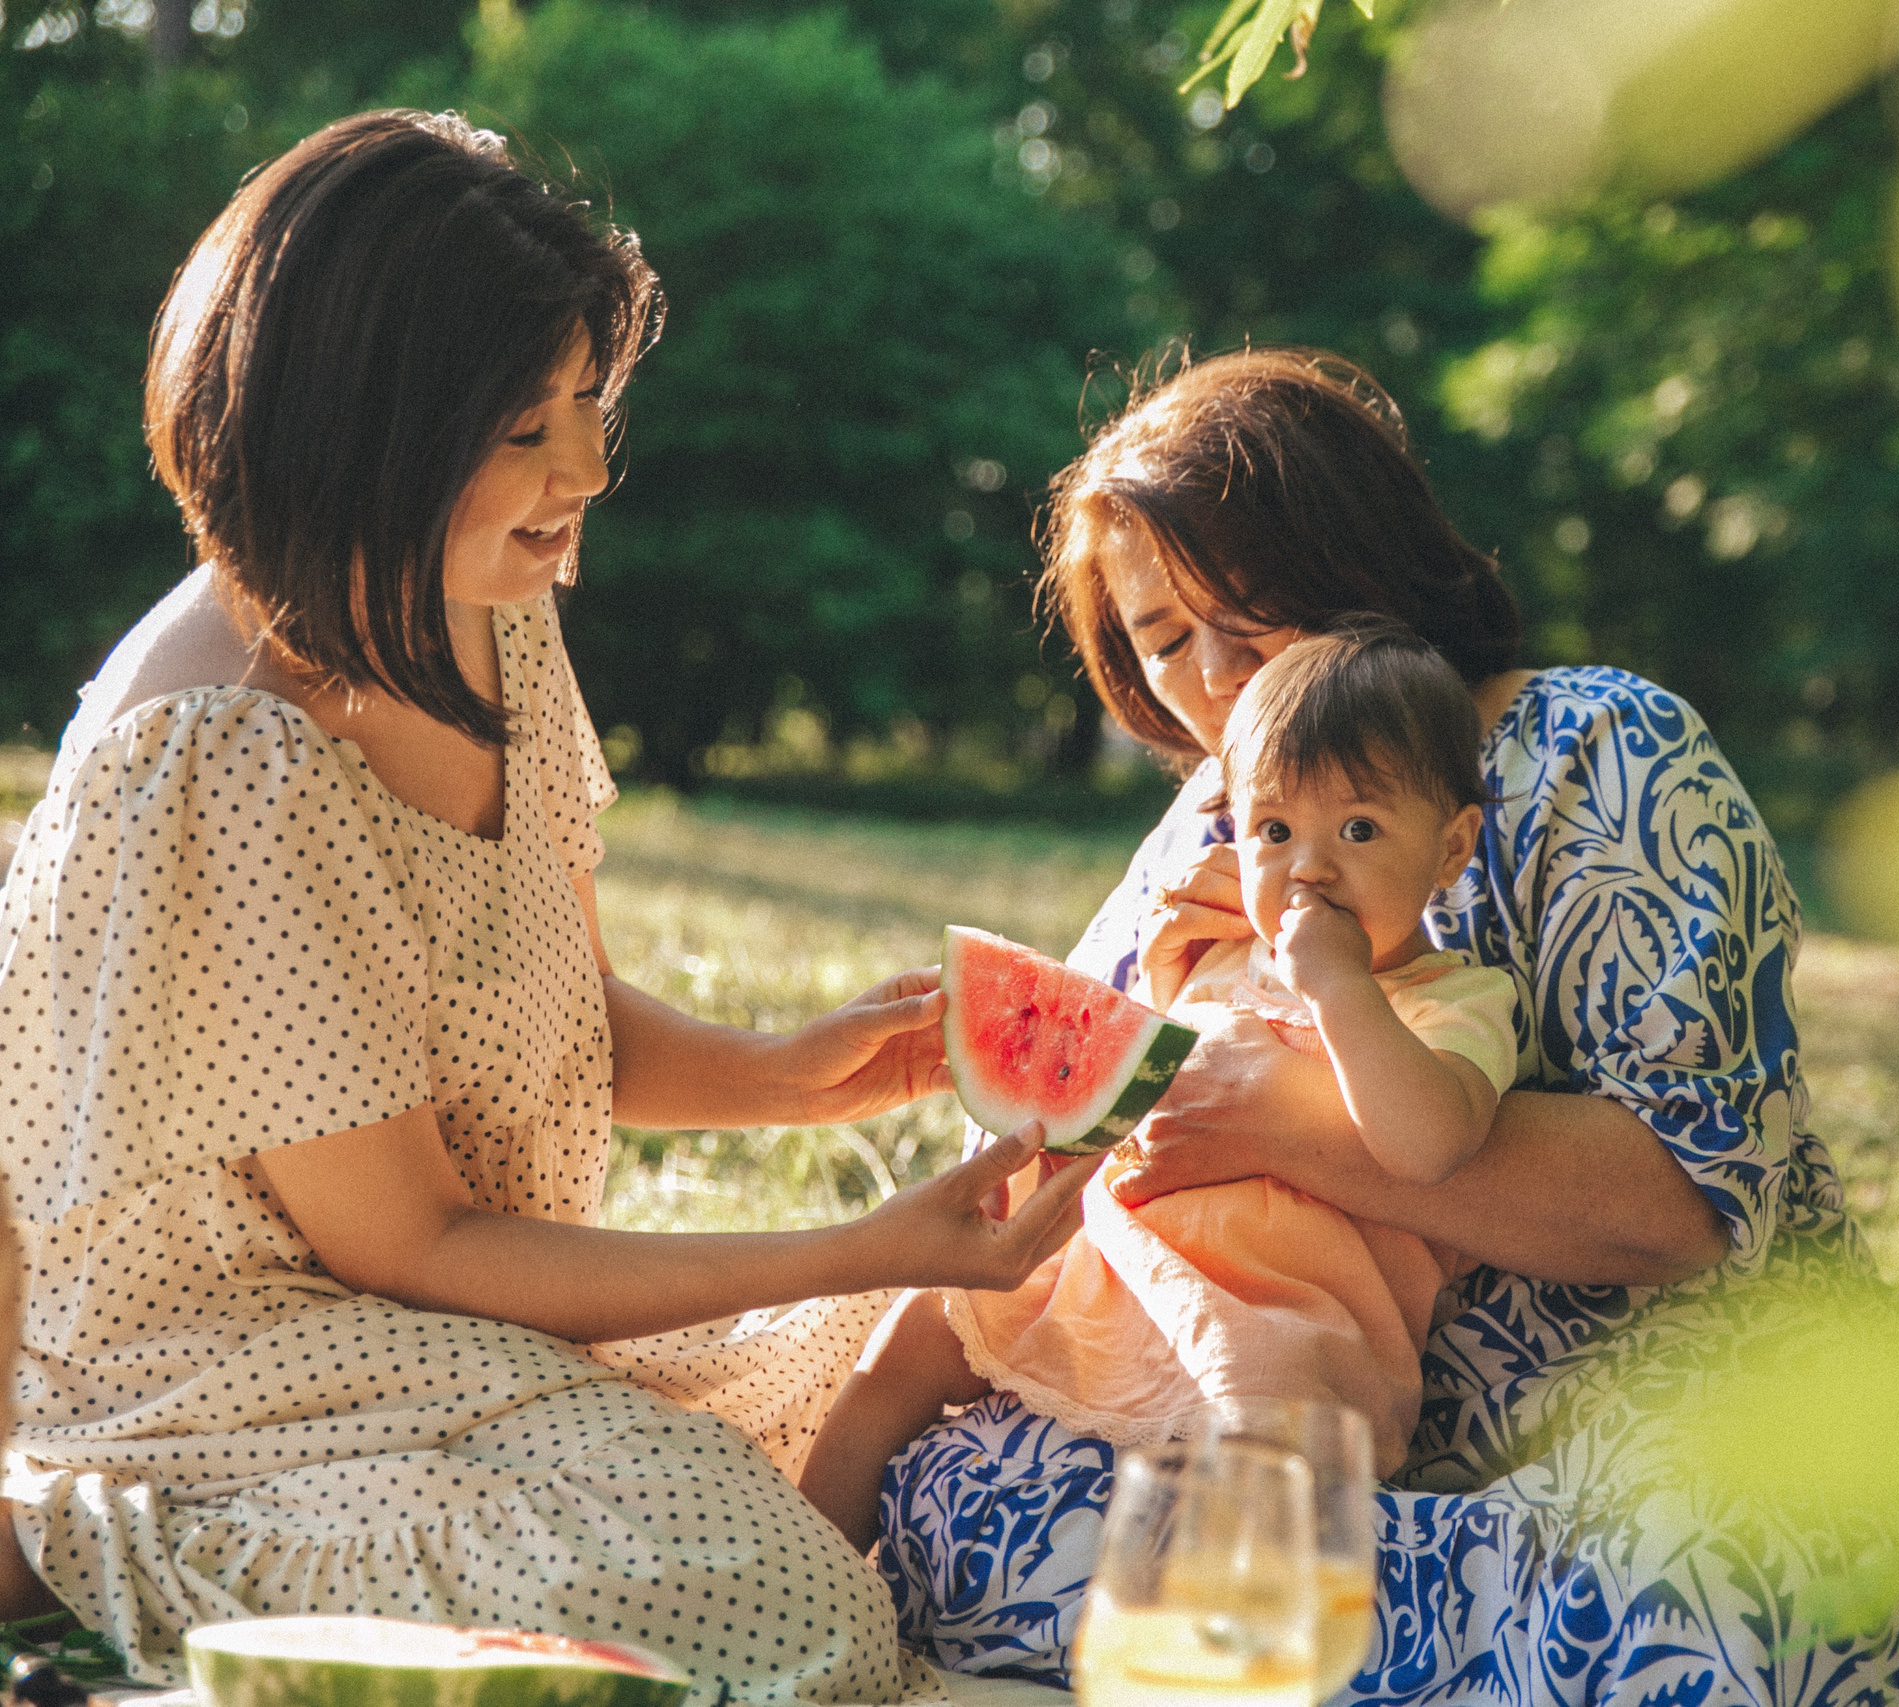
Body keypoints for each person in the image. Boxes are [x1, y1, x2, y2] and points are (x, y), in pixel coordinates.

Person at [869, 348, 1899, 1707]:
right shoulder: (1209, 826)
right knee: (956, 1495)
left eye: (1243, 613)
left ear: (1352, 553)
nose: (1210, 679)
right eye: (1160, 638)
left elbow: (1677, 1203)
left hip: (1653, 1428)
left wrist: (1274, 1114)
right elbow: (1046, 1150)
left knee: (1737, 1600)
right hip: (1324, 1451)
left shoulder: (1606, 745)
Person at [0, 110, 1098, 1700]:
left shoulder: (475, 601)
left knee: (963, 1384)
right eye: (526, 427)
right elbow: (415, 1237)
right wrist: (851, 1243)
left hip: (462, 1343)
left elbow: (559, 1018)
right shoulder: (223, 752)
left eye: (587, 402)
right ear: (361, 430)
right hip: (232, 1380)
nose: (585, 469)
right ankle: (75, 1537)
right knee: (790, 1612)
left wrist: (790, 1067)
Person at [802, 621, 1516, 1548]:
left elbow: (1428, 1147)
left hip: (1278, 1327)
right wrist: (1160, 977)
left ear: (1453, 848)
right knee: (916, 1331)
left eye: (1359, 827)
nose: (1308, 864)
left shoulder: (1456, 998)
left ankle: (1226, 1640)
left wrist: (1339, 985)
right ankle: (809, 1562)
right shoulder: (1216, 954)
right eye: (1273, 828)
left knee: (1255, 1474)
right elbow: (1127, 1097)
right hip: (1109, 1270)